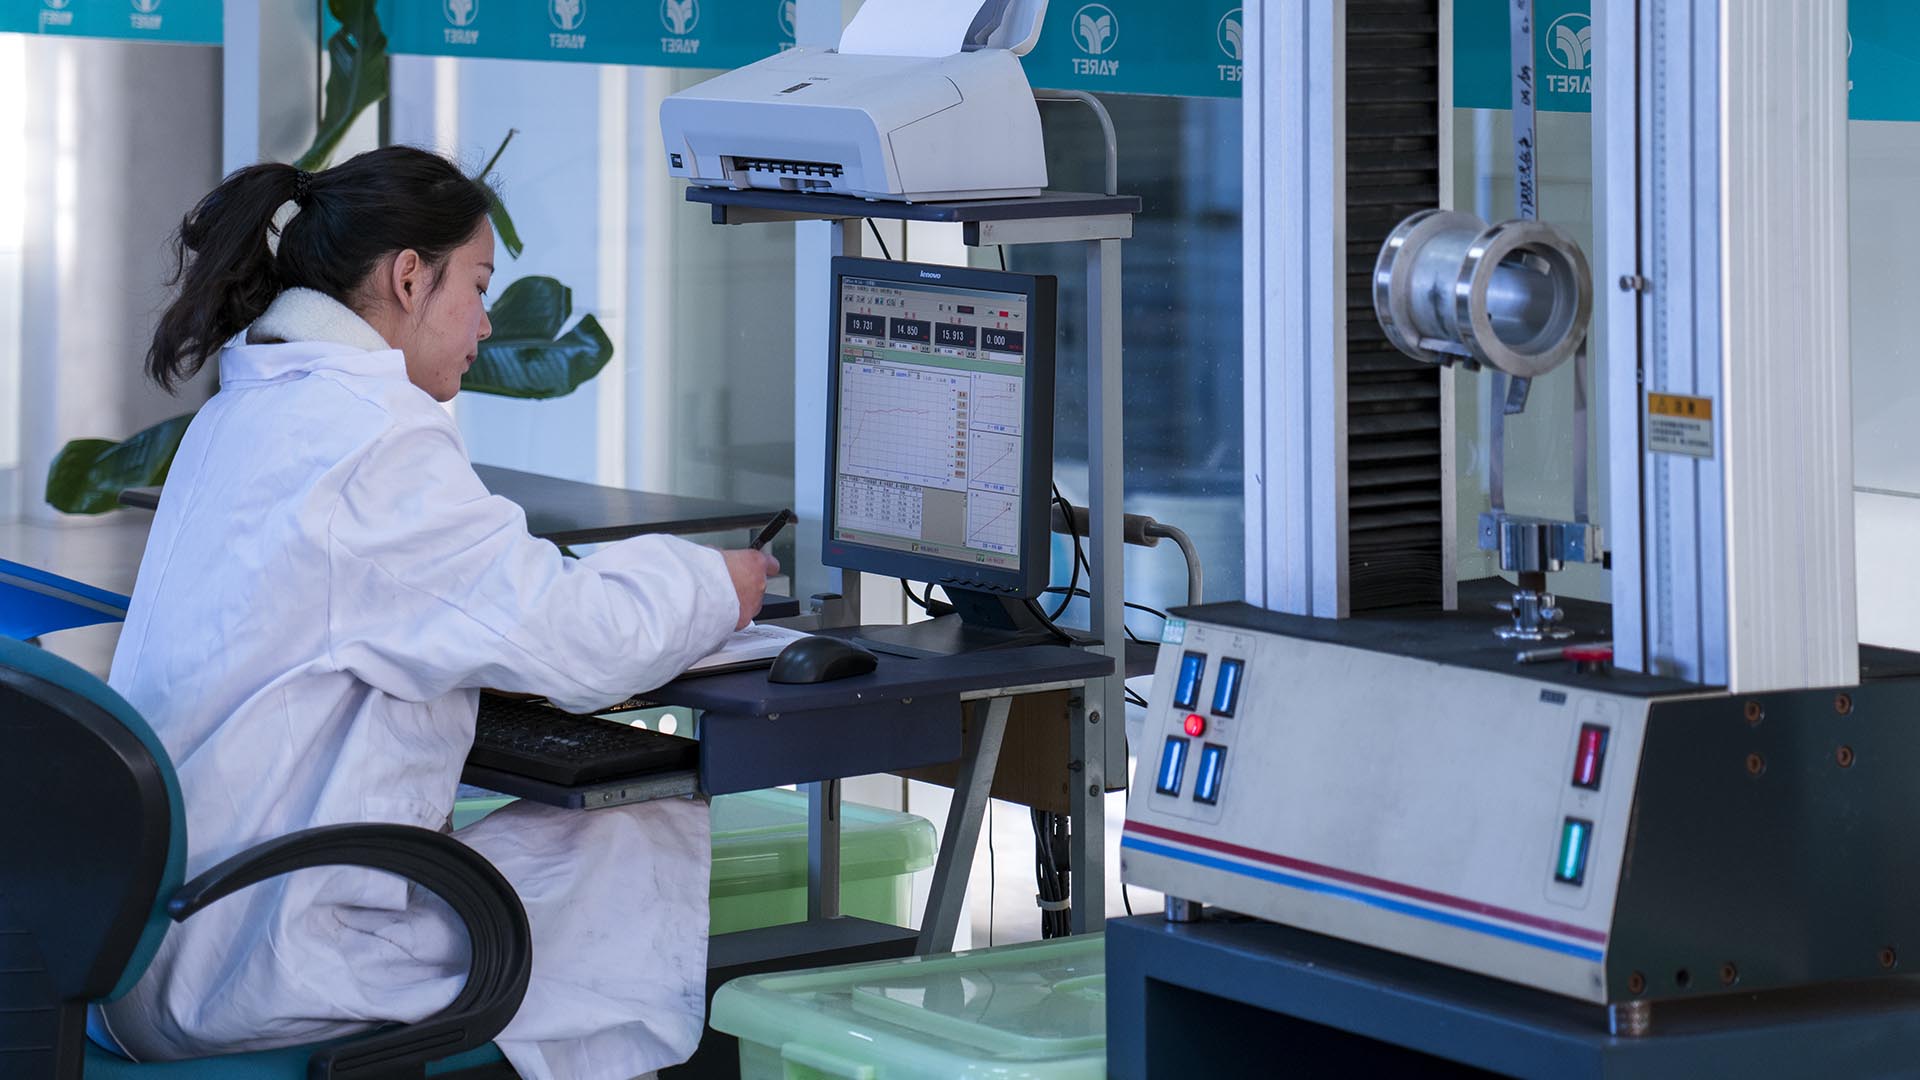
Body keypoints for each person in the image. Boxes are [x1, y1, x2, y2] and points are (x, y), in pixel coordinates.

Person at [92, 146, 778, 1080]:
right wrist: (718, 587)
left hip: (140, 943)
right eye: (478, 286)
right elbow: (581, 642)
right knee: (631, 831)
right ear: (409, 278)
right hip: (252, 962)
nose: (487, 322)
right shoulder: (370, 441)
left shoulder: (251, 410)